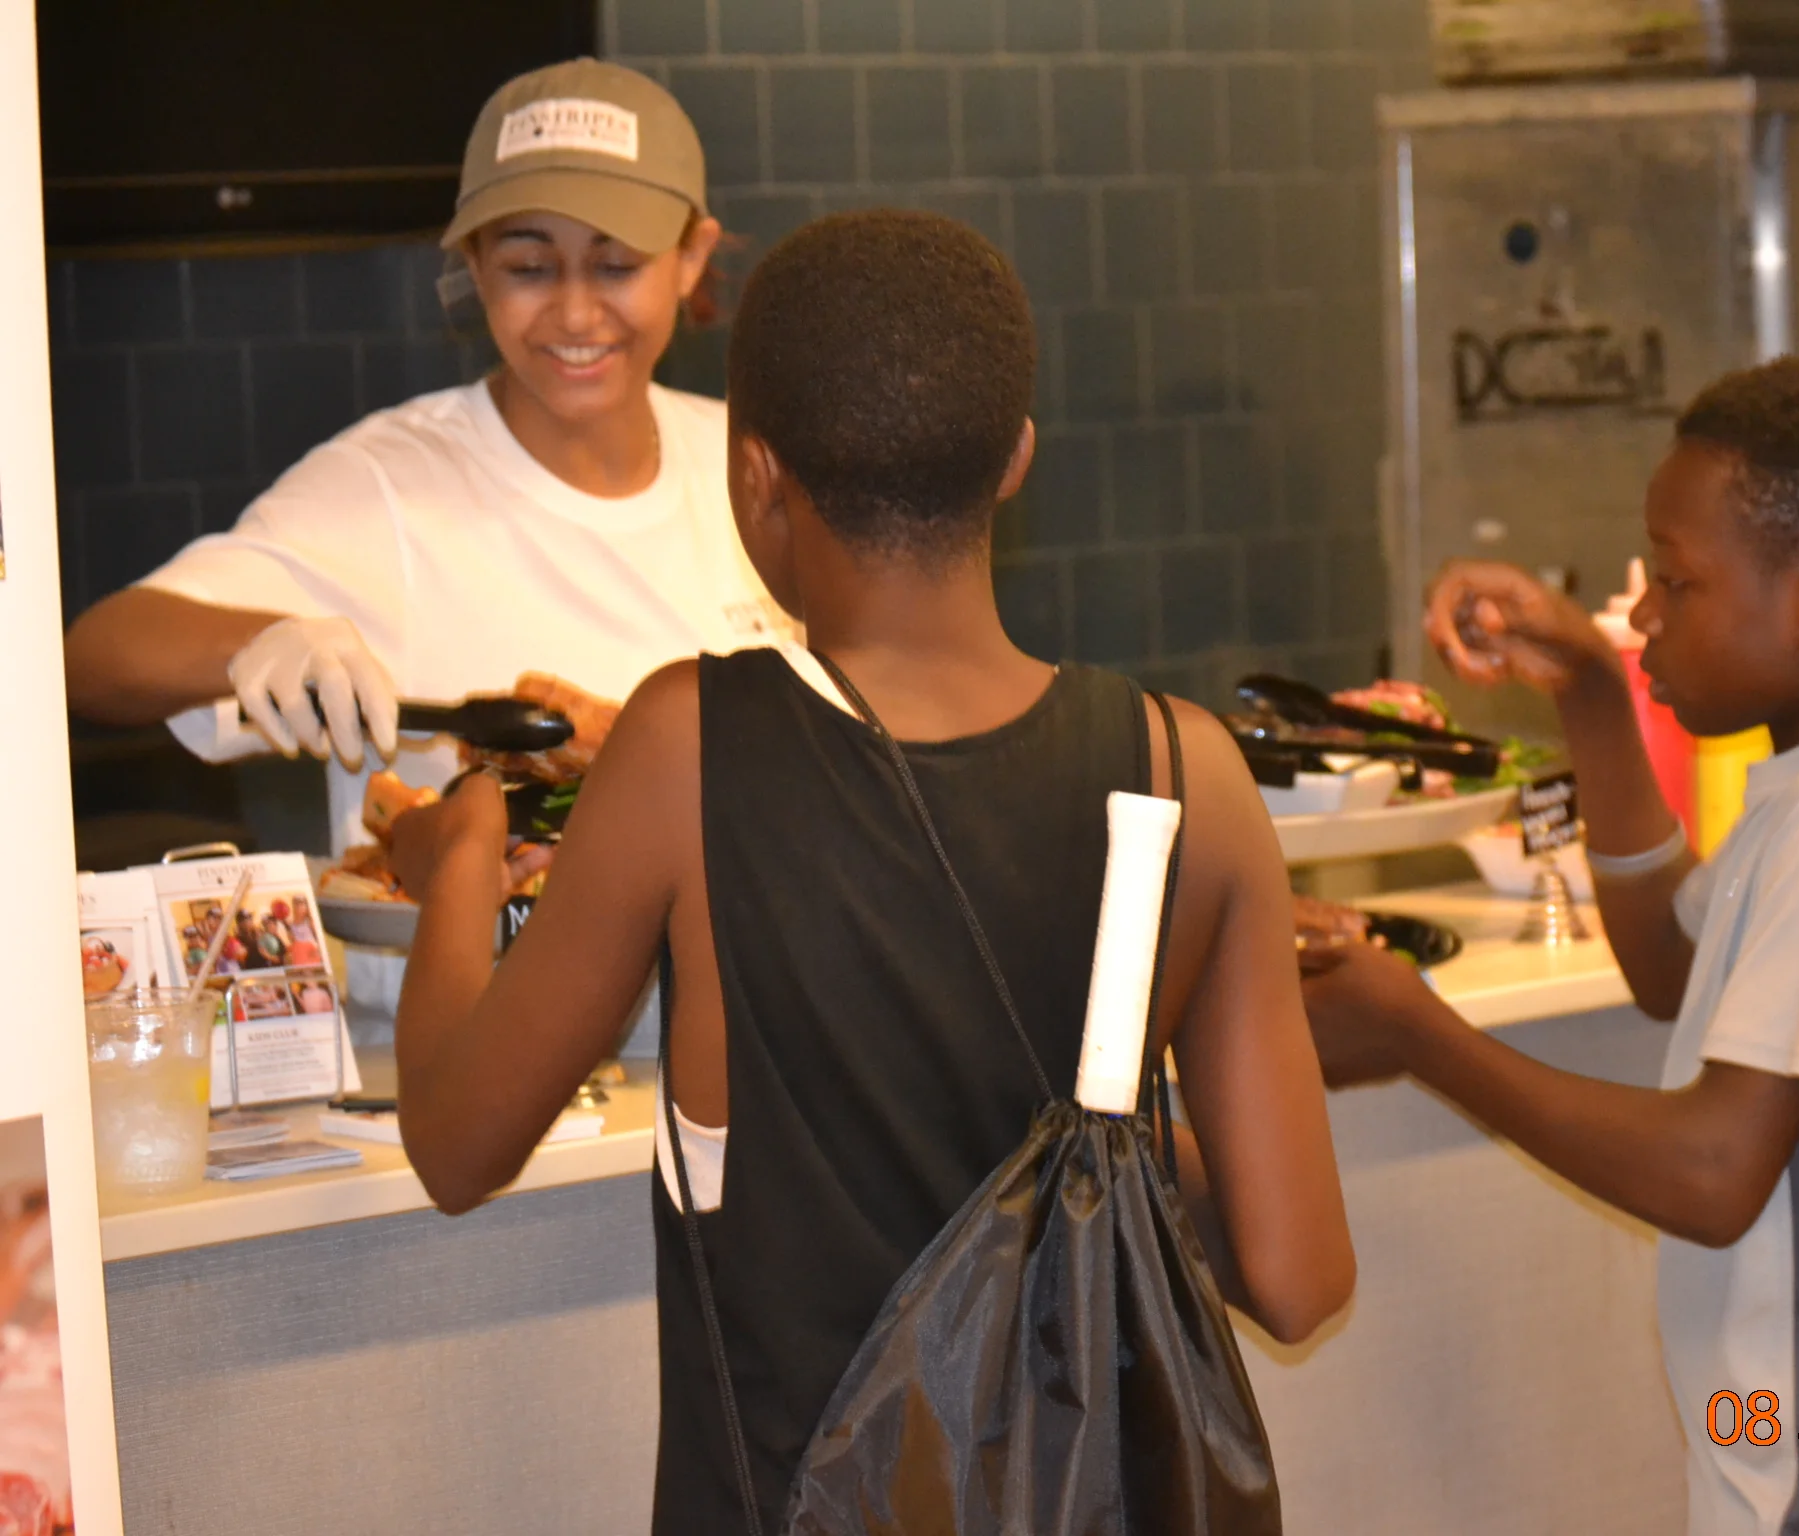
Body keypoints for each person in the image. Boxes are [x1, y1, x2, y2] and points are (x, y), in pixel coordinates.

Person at [381, 210, 1356, 1529]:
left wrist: (456, 861)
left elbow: (455, 1143)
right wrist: (1099, 1131)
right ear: (1016, 461)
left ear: (751, 473)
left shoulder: (688, 743)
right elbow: (1297, 1279)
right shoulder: (1186, 774)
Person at [1305, 357, 1799, 1535]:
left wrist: (1420, 1035)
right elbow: (1675, 971)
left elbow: (1714, 1172)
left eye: (1675, 583)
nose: (1643, 617)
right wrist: (1589, 693)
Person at [61, 57, 796, 861]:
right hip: (460, 985)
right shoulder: (391, 485)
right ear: (476, 265)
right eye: (528, 266)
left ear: (692, 257)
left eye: (617, 265)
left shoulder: (754, 466)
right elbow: (97, 657)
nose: (577, 311)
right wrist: (267, 639)